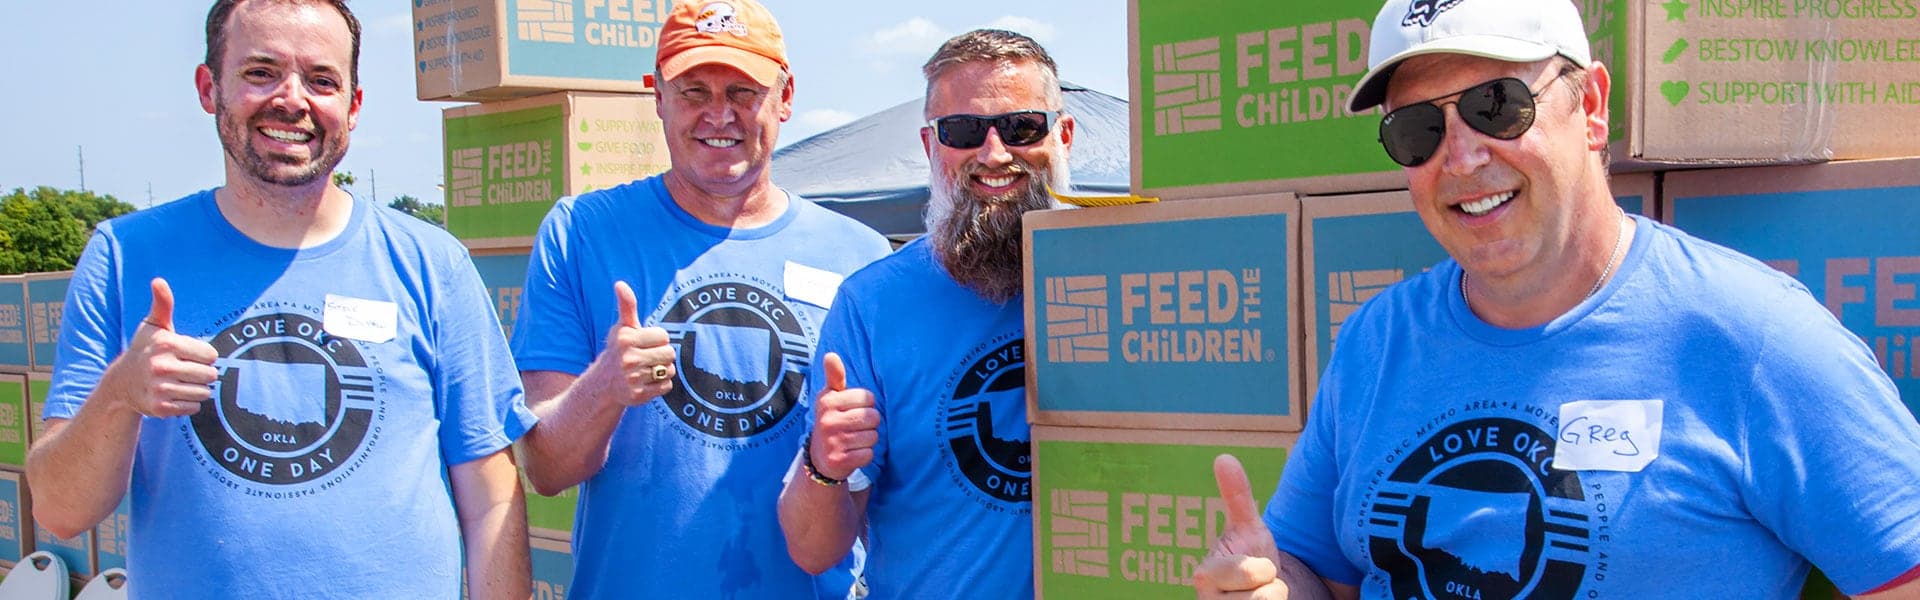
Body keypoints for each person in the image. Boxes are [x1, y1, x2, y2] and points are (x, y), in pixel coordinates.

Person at [1195, 0, 1920, 598]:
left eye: (1497, 106)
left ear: (1592, 106)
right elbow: (1320, 575)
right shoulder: (1375, 343)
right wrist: (1270, 585)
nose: (1464, 156)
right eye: (1417, 129)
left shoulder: (1756, 339)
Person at [25, 1, 536, 597]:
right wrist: (120, 395)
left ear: (353, 105)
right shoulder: (126, 256)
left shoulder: (431, 263)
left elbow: (491, 495)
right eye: (260, 72)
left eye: (321, 80)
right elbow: (60, 513)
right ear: (208, 86)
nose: (292, 100)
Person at [506, 0, 891, 597]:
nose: (719, 113)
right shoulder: (582, 231)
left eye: (743, 90)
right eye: (693, 91)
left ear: (785, 98)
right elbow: (546, 469)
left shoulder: (861, 258)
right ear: (656, 98)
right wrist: (607, 385)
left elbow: (882, 488)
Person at [777, 28, 1074, 598]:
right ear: (930, 145)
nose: (994, 153)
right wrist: (825, 466)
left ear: (1062, 134)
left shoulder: (1125, 273)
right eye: (963, 130)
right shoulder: (873, 302)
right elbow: (814, 550)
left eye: (1021, 127)